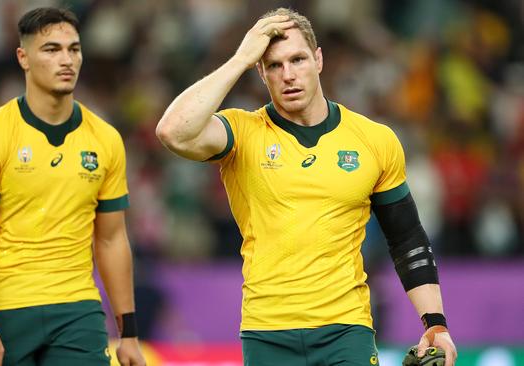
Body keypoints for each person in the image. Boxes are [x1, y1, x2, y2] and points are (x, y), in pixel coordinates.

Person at [156, 7, 457, 366]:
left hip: (346, 331)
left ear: (318, 60)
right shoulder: (242, 132)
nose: (288, 75)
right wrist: (239, 59)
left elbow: (407, 238)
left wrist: (435, 324)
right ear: (260, 73)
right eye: (274, 65)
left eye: (298, 60)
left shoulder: (374, 140)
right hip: (267, 333)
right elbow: (173, 131)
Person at [0, 7, 146, 366]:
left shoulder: (105, 139)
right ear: (23, 58)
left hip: (77, 310)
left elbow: (111, 238)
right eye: (51, 49)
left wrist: (129, 333)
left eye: (74, 49)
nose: (66, 59)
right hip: (6, 310)